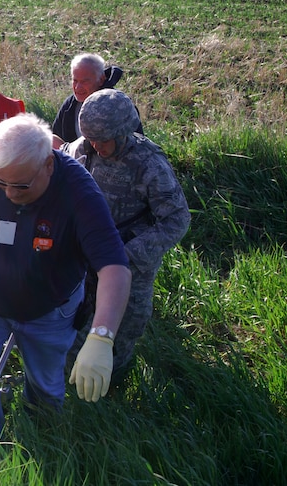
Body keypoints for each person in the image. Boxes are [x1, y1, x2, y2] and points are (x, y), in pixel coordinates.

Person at [0, 112, 132, 435]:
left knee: (46, 390)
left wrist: (101, 336)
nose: (8, 193)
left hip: (49, 307)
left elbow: (114, 267)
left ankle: (43, 442)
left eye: (20, 185)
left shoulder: (80, 193)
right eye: (0, 181)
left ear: (48, 164)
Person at [64, 89, 190, 383]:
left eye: (104, 140)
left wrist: (128, 255)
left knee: (122, 333)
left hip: (128, 262)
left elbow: (176, 219)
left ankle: (114, 390)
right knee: (75, 327)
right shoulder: (83, 149)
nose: (98, 146)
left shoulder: (149, 163)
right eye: (92, 139)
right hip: (85, 259)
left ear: (124, 131)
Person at [51, 53, 142, 149]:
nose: (78, 87)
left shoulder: (119, 106)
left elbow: (137, 144)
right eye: (75, 80)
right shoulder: (69, 106)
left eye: (84, 81)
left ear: (101, 79)